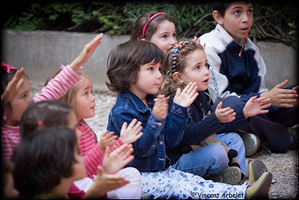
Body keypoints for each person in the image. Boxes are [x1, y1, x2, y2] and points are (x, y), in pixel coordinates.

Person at [106, 39, 272, 199]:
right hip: (137, 178)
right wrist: (158, 118)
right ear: (128, 74)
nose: (159, 75)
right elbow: (143, 150)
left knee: (196, 182)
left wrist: (179, 110)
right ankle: (242, 195)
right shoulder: (123, 112)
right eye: (151, 69)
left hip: (160, 169)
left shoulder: (152, 100)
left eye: (159, 69)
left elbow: (170, 140)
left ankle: (243, 191)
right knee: (184, 188)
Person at [160, 40, 271, 185]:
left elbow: (214, 125)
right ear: (179, 77)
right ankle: (224, 174)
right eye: (197, 68)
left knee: (234, 139)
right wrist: (215, 119)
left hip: (200, 147)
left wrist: (243, 113)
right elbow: (188, 136)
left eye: (206, 65)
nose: (206, 71)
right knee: (217, 152)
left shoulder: (199, 95)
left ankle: (239, 175)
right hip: (180, 160)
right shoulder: (175, 103)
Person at [199, 1, 298, 154]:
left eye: (250, 11)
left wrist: (271, 98)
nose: (246, 19)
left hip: (252, 111)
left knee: (293, 93)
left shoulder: (251, 49)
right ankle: (284, 137)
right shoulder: (209, 46)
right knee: (232, 104)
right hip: (221, 115)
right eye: (237, 12)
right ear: (218, 17)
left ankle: (258, 135)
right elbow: (219, 99)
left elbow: (260, 94)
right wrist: (267, 98)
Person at [1, 33, 104, 162]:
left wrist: (80, 61)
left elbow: (54, 88)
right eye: (23, 96)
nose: (30, 100)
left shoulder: (29, 115)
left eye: (28, 93)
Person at [45, 65, 143, 198]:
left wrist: (122, 141)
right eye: (86, 93)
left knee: (132, 174)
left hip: (94, 178)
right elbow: (79, 170)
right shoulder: (62, 135)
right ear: (67, 101)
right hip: (80, 183)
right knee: (84, 183)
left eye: (91, 92)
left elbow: (100, 161)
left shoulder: (84, 128)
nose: (93, 98)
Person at [12, 126, 130, 199]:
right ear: (59, 167)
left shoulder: (69, 188)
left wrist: (105, 178)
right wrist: (96, 190)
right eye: (77, 154)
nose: (82, 157)